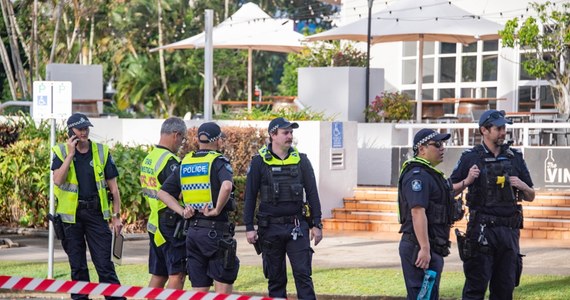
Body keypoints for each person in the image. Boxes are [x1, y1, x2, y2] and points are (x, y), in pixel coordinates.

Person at [450, 109, 535, 300]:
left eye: (504, 128)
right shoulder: (470, 158)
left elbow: (531, 195)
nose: (503, 132)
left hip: (509, 232)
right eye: (499, 128)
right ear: (484, 130)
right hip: (481, 231)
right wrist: (466, 181)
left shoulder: (515, 158)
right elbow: (449, 191)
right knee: (475, 290)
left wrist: (522, 185)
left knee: (504, 290)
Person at [243, 117, 323, 300]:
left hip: (297, 227)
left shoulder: (302, 161)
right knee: (276, 280)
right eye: (285, 132)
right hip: (269, 229)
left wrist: (317, 224)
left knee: (303, 276)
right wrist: (248, 227)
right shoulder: (259, 162)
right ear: (273, 135)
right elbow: (250, 196)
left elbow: (312, 194)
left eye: (291, 132)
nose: (290, 136)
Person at [157, 122, 238, 294]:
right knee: (223, 286)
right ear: (218, 141)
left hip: (192, 233)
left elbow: (162, 193)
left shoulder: (186, 162)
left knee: (198, 291)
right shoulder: (218, 162)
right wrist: (216, 210)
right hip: (215, 232)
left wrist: (182, 211)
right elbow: (226, 186)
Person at [51, 113, 125, 300]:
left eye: (86, 128)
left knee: (105, 264)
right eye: (79, 129)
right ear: (71, 131)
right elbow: (58, 181)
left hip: (96, 214)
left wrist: (116, 216)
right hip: (70, 218)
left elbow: (114, 190)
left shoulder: (101, 151)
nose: (84, 132)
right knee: (78, 267)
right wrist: (70, 155)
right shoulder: (60, 151)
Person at [398, 128, 463, 300]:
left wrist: (466, 182)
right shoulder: (417, 175)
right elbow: (417, 212)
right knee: (422, 297)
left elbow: (444, 194)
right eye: (437, 145)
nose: (442, 148)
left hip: (432, 246)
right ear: (422, 149)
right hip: (419, 248)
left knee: (429, 297)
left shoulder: (430, 175)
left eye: (443, 144)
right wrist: (425, 249)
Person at [140, 117, 187, 289]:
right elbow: (178, 193)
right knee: (177, 274)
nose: (182, 143)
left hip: (155, 223)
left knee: (159, 274)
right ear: (176, 135)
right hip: (170, 225)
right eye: (183, 138)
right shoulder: (170, 161)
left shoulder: (150, 158)